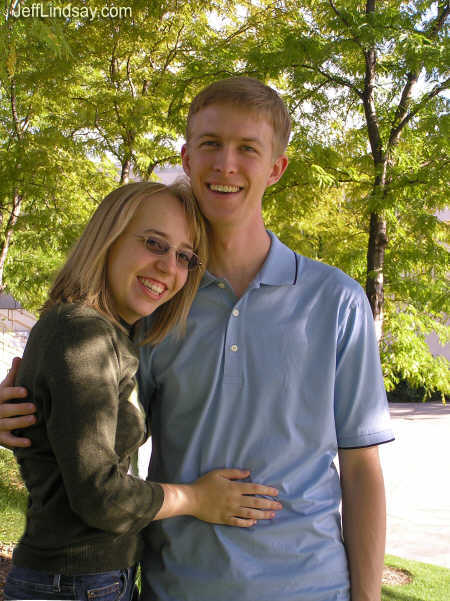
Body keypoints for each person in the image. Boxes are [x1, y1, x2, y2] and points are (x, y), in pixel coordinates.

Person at [0, 77, 394, 601]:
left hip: (310, 587)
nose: (225, 164)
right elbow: (88, 416)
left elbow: (361, 466)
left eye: (247, 149)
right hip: (174, 587)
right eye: (210, 144)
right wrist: (21, 410)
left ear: (275, 168)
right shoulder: (156, 301)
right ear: (186, 158)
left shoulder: (336, 301)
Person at [0, 180, 281, 601]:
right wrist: (197, 499)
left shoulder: (107, 335)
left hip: (90, 580)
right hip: (75, 584)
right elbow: (101, 496)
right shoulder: (82, 335)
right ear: (109, 238)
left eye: (184, 256)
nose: (170, 268)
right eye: (154, 243)